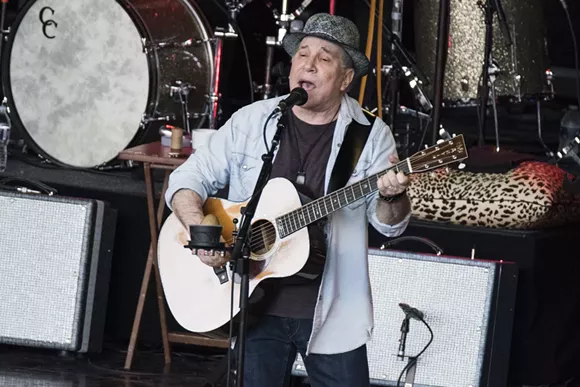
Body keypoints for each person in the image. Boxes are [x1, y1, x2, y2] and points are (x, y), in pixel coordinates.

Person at [165, 13, 412, 387]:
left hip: (331, 308)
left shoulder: (370, 135)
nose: (308, 64)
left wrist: (394, 195)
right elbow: (187, 178)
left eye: (325, 58)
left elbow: (388, 224)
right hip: (253, 302)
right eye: (302, 55)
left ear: (346, 79)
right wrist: (203, 232)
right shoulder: (254, 120)